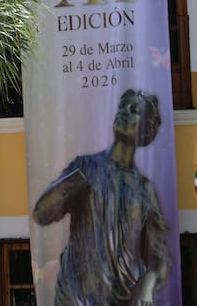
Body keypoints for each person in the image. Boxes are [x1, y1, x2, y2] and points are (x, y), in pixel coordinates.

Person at [33, 89, 171, 306]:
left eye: (134, 110)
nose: (124, 112)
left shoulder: (144, 190)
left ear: (145, 130)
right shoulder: (86, 167)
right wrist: (73, 183)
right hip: (76, 296)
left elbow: (160, 258)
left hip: (121, 298)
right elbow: (42, 214)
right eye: (123, 106)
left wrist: (147, 286)